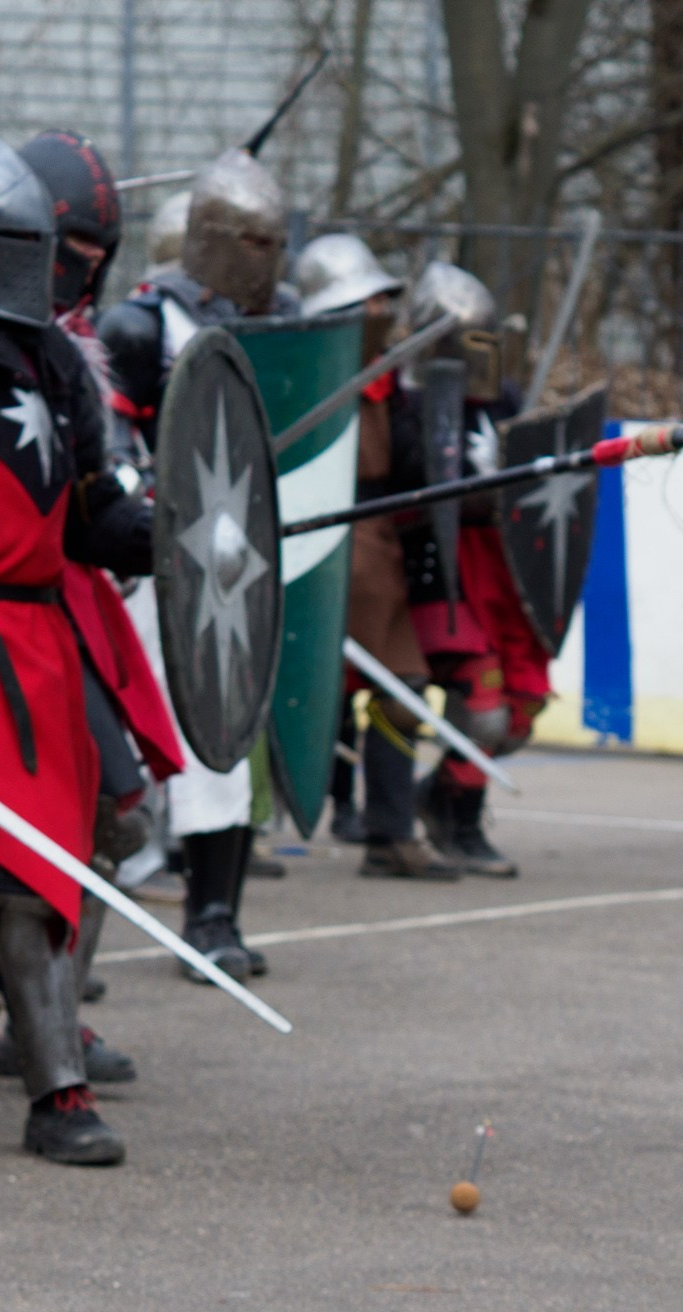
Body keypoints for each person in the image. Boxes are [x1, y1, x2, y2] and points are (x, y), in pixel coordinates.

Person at [0, 138, 157, 1164]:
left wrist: (180, 530)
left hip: (35, 642)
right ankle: (56, 1096)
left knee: (9, 876)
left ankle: (49, 1092)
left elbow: (93, 521)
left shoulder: (57, 360)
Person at [100, 147, 294, 979]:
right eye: (249, 241)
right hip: (151, 565)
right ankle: (64, 942)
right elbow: (109, 447)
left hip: (237, 568)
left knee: (226, 734)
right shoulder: (139, 327)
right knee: (124, 753)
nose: (265, 258)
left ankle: (216, 917)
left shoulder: (279, 325)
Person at [291, 234, 458, 881]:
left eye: (387, 299)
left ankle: (390, 830)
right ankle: (231, 831)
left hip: (381, 539)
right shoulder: (306, 371)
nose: (384, 310)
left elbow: (411, 468)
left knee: (401, 690)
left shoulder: (390, 377)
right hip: (330, 540)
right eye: (371, 300)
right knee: (329, 691)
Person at [388, 262, 545, 878]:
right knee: (480, 700)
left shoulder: (503, 398)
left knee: (521, 708)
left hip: (501, 567)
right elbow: (407, 482)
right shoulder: (405, 400)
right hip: (441, 565)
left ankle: (443, 793)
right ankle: (459, 817)